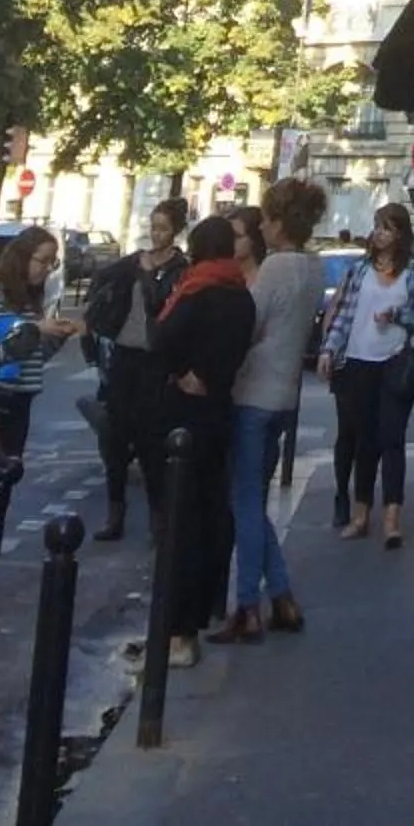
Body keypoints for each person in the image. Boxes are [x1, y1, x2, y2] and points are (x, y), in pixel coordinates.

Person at [0, 227, 83, 630]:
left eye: (51, 262)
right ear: (20, 257)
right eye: (42, 260)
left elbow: (30, 361)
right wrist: (31, 332)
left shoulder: (29, 304)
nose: (46, 270)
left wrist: (55, 337)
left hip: (15, 412)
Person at [214, 177, 326, 643]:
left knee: (244, 503)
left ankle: (247, 606)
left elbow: (249, 323)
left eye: (265, 218)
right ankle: (281, 596)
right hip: (285, 395)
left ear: (279, 222)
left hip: (253, 392)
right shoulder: (314, 267)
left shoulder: (277, 267)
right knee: (252, 502)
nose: (260, 225)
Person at [148, 214, 254, 669]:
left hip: (184, 416)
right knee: (210, 517)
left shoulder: (196, 290)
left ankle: (178, 632)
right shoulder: (241, 295)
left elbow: (162, 339)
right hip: (219, 410)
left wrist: (182, 372)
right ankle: (201, 613)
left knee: (180, 524)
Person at [322, 202, 414, 550]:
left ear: (401, 233)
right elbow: (344, 316)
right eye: (377, 226)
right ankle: (360, 513)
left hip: (397, 363)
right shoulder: (359, 270)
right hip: (358, 361)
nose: (379, 233)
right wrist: (328, 349)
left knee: (392, 439)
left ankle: (392, 519)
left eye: (387, 227)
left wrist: (396, 314)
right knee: (364, 441)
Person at [83, 198, 187, 541]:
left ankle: (159, 517)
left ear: (175, 231)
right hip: (124, 356)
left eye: (162, 228)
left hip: (154, 361)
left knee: (151, 442)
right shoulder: (131, 263)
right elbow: (102, 284)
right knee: (115, 437)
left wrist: (146, 274)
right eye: (152, 226)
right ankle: (116, 513)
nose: (155, 234)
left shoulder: (179, 269)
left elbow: (160, 303)